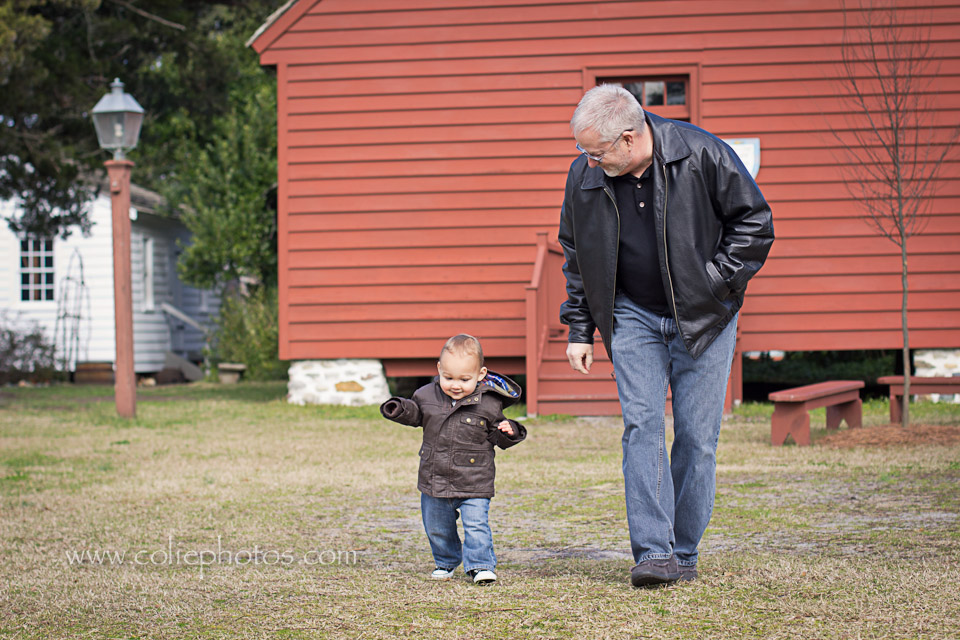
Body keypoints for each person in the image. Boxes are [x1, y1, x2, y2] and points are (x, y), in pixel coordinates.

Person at [558, 84, 774, 587]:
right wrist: (580, 327)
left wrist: (713, 281)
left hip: (704, 317)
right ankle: (653, 554)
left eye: (596, 152)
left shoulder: (703, 154)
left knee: (697, 439)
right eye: (584, 151)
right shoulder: (584, 175)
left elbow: (755, 224)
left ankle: (684, 550)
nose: (588, 162)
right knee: (642, 427)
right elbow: (576, 253)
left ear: (629, 139)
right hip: (630, 315)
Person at [380, 334, 527, 585]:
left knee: (476, 525)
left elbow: (497, 435)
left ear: (481, 374)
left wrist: (509, 431)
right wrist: (400, 408)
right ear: (439, 370)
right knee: (437, 526)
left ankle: (480, 565)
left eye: (464, 379)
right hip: (435, 476)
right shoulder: (426, 395)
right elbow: (415, 414)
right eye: (448, 378)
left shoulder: (489, 403)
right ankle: (446, 561)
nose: (455, 385)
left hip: (474, 479)